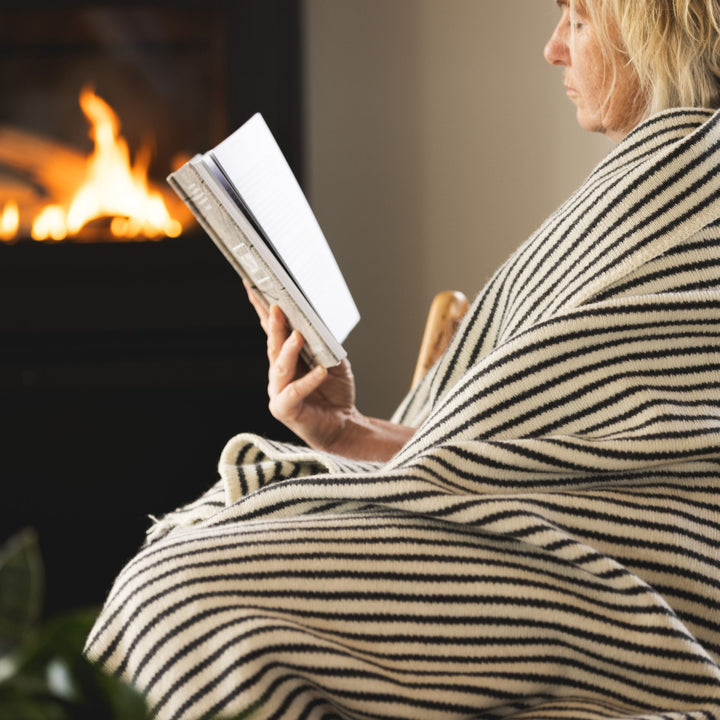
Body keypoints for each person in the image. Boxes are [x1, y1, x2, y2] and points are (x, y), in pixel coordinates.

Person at [86, 1, 720, 718]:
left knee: (187, 604)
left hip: (619, 577)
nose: (552, 49)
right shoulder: (657, 173)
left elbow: (609, 490)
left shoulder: (686, 179)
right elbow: (538, 458)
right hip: (536, 539)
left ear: (655, 36)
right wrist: (347, 431)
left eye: (577, 20)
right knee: (183, 568)